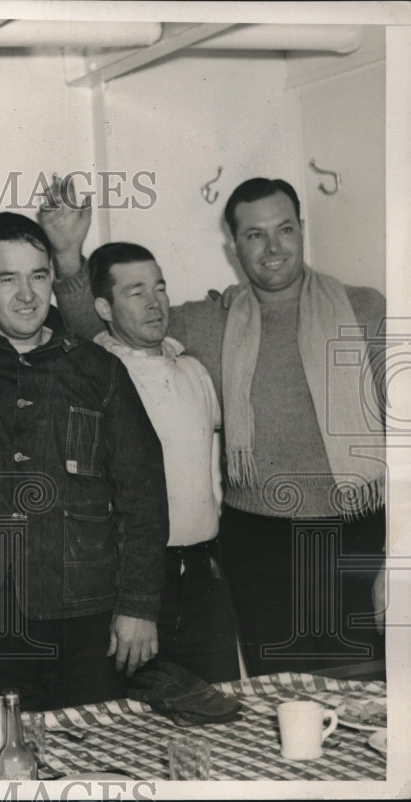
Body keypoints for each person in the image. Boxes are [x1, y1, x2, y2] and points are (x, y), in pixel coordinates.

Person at [54, 178, 387, 677]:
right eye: (255, 235)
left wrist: (398, 556)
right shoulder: (213, 321)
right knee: (279, 697)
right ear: (234, 246)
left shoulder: (364, 308)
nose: (273, 247)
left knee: (363, 693)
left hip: (356, 533)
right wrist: (67, 257)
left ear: (301, 229)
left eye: (284, 229)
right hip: (257, 545)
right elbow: (100, 328)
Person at [0, 175, 169, 718]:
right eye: (7, 279)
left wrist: (139, 607)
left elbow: (143, 492)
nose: (27, 295)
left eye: (39, 276)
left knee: (95, 759)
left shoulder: (99, 369)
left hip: (88, 613)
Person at [86, 241, 239, 682]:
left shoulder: (194, 370)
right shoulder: (93, 376)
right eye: (135, 292)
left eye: (160, 288)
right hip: (136, 584)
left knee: (218, 708)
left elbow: (213, 474)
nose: (155, 303)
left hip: (206, 577)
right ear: (104, 306)